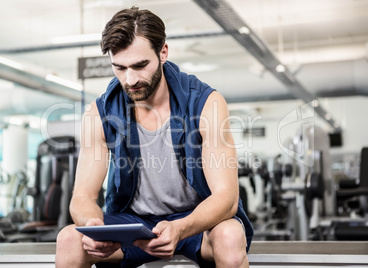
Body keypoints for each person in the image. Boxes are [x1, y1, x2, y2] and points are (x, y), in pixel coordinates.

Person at [55, 6, 253, 268]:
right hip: (134, 223)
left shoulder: (207, 103)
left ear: (163, 53)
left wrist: (180, 228)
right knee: (69, 239)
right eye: (119, 68)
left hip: (195, 221)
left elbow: (226, 198)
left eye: (140, 65)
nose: (130, 79)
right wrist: (94, 225)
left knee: (229, 235)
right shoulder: (98, 113)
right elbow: (82, 197)